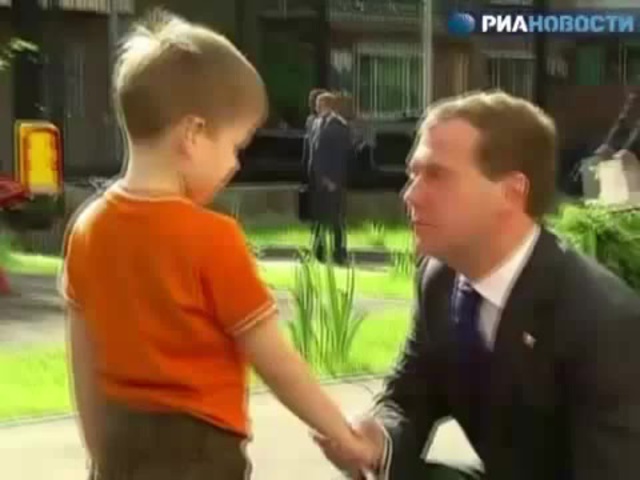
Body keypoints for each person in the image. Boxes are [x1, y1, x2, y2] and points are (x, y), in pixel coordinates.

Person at [59, 10, 376, 480]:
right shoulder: (212, 238)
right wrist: (344, 437)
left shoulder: (88, 227)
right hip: (200, 451)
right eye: (235, 146)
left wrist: (98, 450)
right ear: (193, 134)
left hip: (118, 442)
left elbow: (82, 356)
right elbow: (275, 361)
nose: (234, 164)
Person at [316, 90, 640, 479]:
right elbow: (409, 398)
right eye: (413, 174)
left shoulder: (602, 320)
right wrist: (376, 442)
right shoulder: (439, 279)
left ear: (511, 192)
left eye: (437, 175)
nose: (410, 195)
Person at [309, 92, 352, 264]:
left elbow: (341, 156)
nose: (316, 107)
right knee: (318, 218)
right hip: (317, 179)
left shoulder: (339, 126)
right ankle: (318, 251)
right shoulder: (316, 123)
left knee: (336, 219)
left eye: (318, 104)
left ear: (326, 105)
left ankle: (339, 253)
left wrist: (333, 180)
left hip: (333, 181)